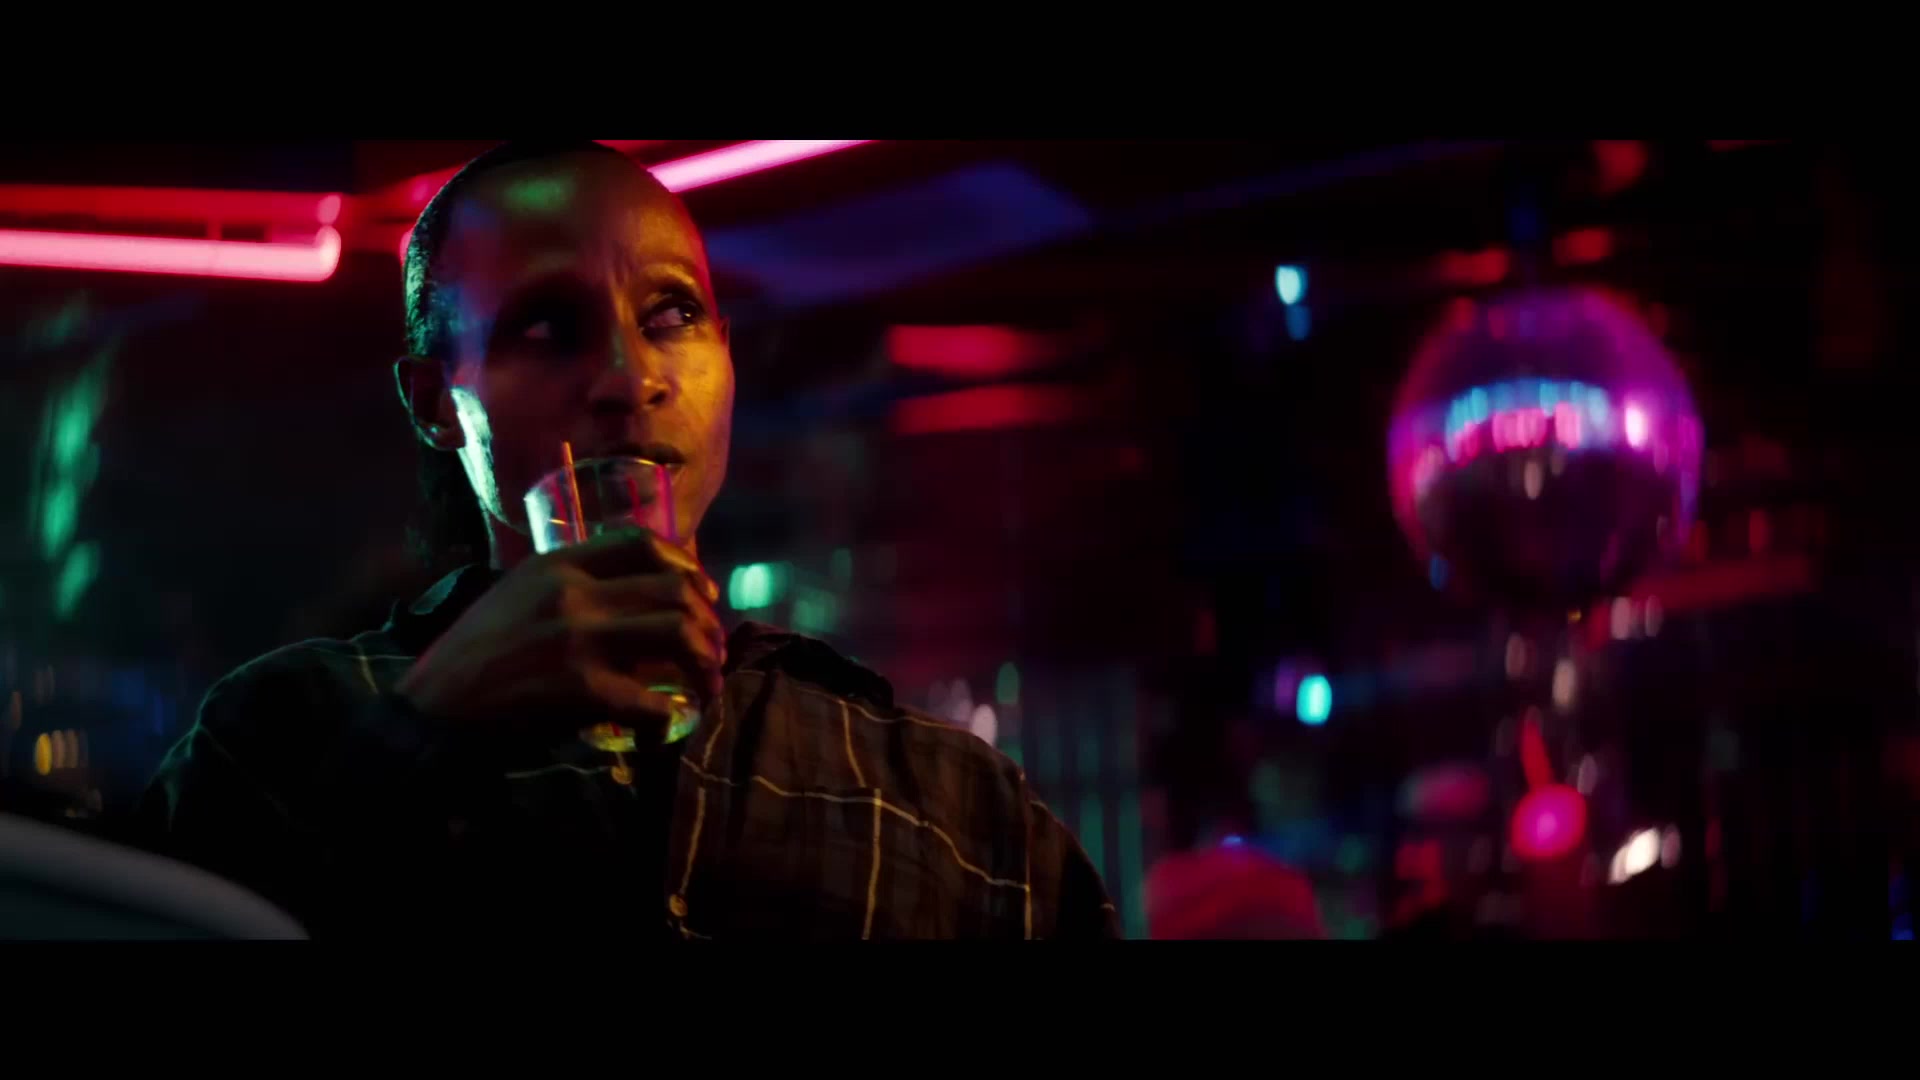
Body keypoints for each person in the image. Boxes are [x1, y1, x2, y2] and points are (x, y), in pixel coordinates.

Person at [136, 140, 1118, 940]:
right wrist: (425, 726)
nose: (629, 377)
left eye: (673, 314)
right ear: (436, 402)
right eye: (545, 328)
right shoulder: (280, 733)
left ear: (725, 358)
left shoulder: (951, 797)